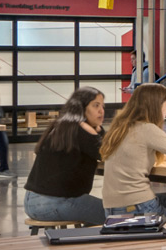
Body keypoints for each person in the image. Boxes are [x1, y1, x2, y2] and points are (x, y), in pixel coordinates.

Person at [99, 83, 166, 222]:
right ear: (155, 106)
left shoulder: (120, 128)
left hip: (111, 208)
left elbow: (135, 158)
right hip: (138, 206)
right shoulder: (148, 129)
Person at [24, 87, 107, 226]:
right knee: (117, 215)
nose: (101, 111)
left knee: (106, 211)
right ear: (81, 108)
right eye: (96, 105)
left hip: (35, 201)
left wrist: (98, 130)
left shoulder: (65, 125)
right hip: (53, 203)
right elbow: (109, 153)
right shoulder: (80, 129)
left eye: (103, 106)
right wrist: (97, 131)